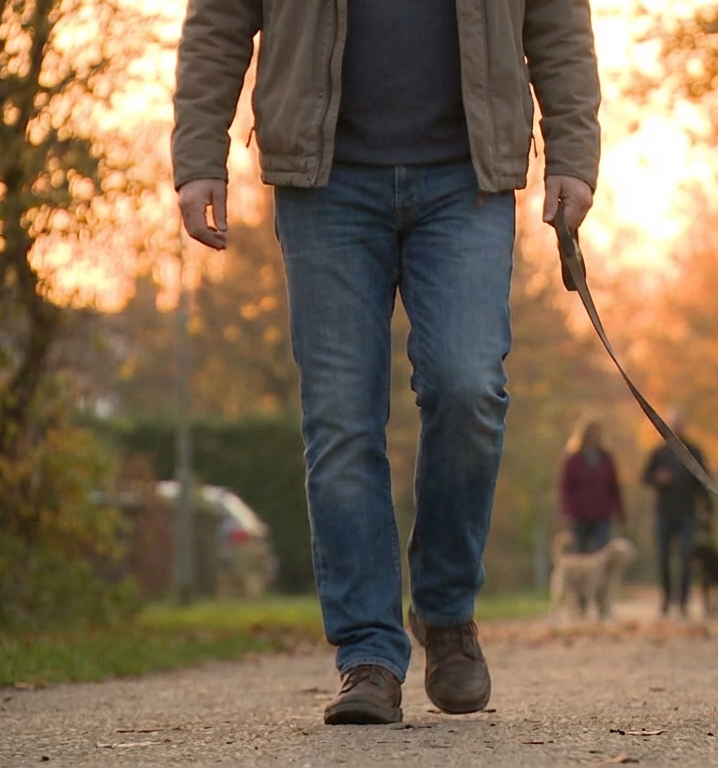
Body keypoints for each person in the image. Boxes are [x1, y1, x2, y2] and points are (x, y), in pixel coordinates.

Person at [172, 0, 601, 726]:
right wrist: (196, 158)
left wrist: (573, 155)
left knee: (470, 387)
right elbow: (217, 18)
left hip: (468, 174)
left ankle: (445, 613)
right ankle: (368, 653)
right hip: (324, 179)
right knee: (341, 420)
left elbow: (557, 22)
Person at [642, 409, 711, 618]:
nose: (677, 428)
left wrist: (707, 509)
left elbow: (704, 482)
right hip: (664, 513)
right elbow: (645, 478)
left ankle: (682, 601)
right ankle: (665, 598)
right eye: (674, 424)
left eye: (680, 424)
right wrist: (657, 479)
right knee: (663, 558)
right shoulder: (658, 453)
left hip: (687, 512)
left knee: (686, 557)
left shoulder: (693, 451)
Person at [557, 416, 625, 554]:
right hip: (579, 513)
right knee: (580, 553)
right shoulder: (573, 459)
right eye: (591, 433)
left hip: (602, 513)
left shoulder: (607, 458)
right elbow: (566, 487)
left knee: (602, 555)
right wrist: (567, 511)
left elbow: (614, 486)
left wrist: (619, 510)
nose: (594, 437)